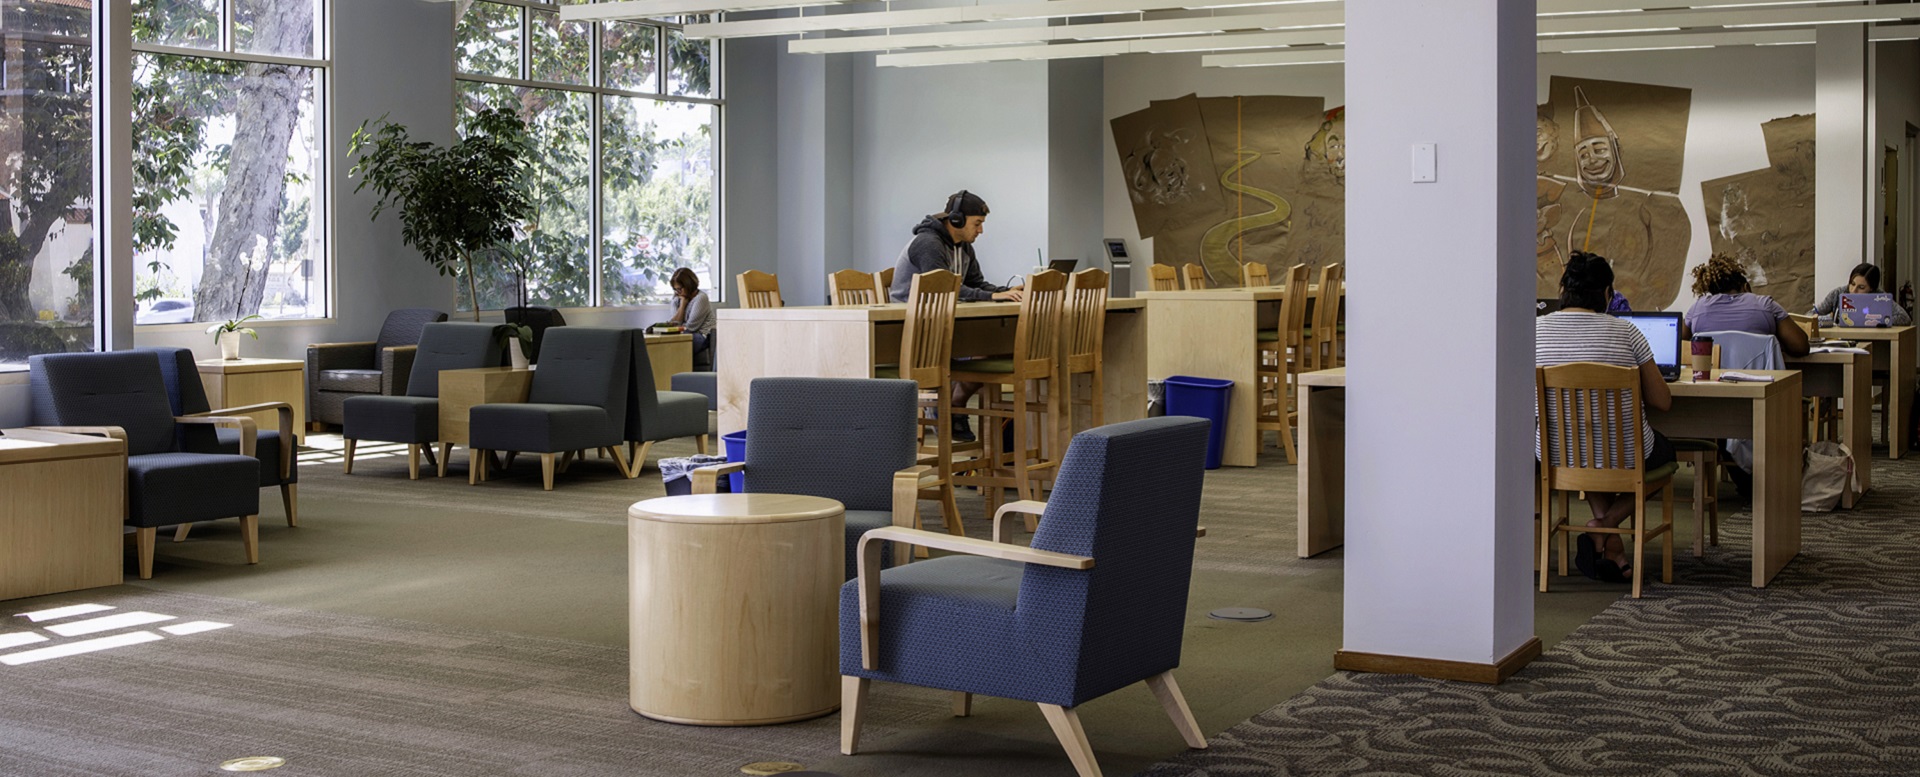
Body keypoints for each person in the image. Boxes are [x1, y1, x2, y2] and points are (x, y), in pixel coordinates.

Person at [1536, 252, 1675, 584]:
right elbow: (1662, 401)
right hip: (1622, 456)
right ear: (1607, 294)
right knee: (1662, 455)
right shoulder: (1626, 332)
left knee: (1589, 451)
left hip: (1555, 454)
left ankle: (1611, 546)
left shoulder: (1533, 331)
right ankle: (1604, 527)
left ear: (1563, 290)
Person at [888, 190, 1025, 442]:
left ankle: (952, 403)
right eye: (978, 223)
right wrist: (992, 297)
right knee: (990, 347)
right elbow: (942, 286)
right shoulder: (928, 243)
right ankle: (946, 404)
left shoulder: (963, 247)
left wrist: (1005, 292)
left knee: (998, 348)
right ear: (957, 220)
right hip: (915, 329)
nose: (981, 230)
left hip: (945, 323)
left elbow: (976, 283)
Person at [1680, 253, 1809, 357]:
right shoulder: (1765, 305)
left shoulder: (1697, 309)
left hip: (1713, 385)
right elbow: (1801, 346)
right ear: (1745, 286)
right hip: (1760, 385)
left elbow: (1677, 347)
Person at [1813, 262, 1912, 326]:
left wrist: (1876, 320)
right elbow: (1810, 315)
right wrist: (1828, 320)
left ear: (1871, 289)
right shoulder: (1838, 293)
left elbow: (1904, 318)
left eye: (1861, 287)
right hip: (1839, 340)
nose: (1854, 290)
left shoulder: (1879, 297)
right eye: (1852, 284)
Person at [665, 268, 713, 360]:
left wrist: (683, 305)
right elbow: (674, 325)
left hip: (702, 335)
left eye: (679, 289)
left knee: (673, 344)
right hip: (685, 333)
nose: (677, 292)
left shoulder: (701, 298)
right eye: (675, 289)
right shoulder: (677, 298)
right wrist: (683, 304)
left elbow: (691, 327)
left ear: (688, 285)